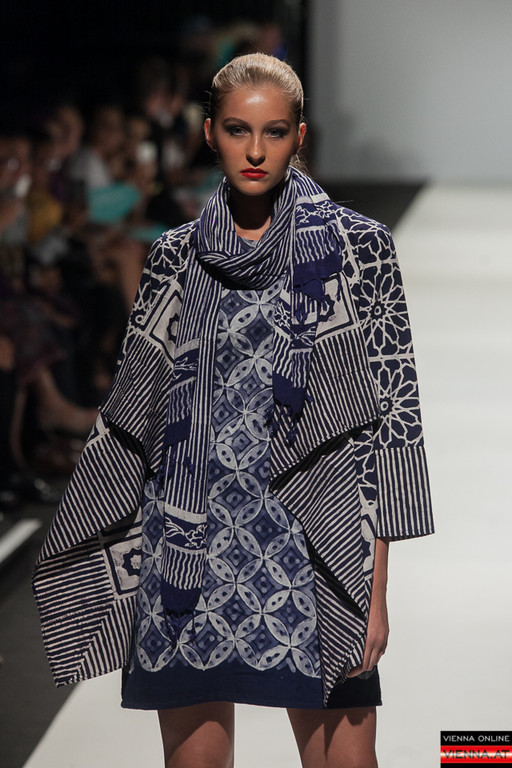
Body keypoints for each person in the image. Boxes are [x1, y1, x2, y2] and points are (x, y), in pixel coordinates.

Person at [33, 54, 434, 768]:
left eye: (274, 132)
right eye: (237, 130)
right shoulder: (172, 258)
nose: (255, 151)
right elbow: (134, 419)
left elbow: (393, 423)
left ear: (299, 136)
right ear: (209, 135)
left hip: (317, 543)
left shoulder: (360, 249)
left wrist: (376, 592)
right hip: (189, 548)